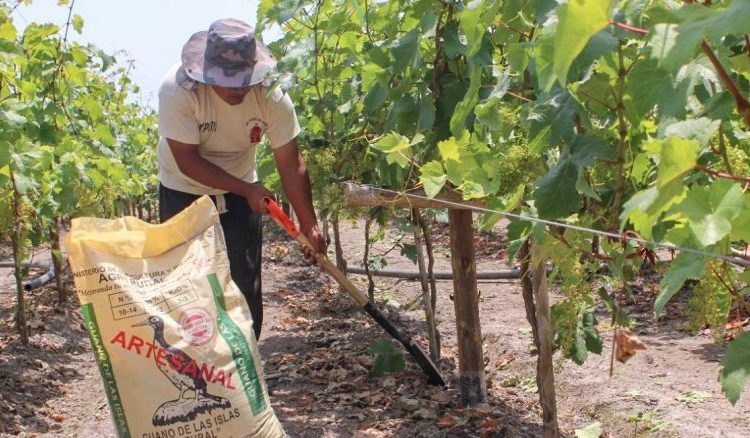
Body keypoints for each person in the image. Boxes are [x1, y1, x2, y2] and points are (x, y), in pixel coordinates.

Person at [157, 18, 327, 339]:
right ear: (207, 72)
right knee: (187, 287)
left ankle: (244, 358)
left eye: (243, 80)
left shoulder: (271, 96)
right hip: (184, 190)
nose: (238, 89)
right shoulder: (178, 90)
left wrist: (310, 224)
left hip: (240, 192)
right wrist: (246, 189)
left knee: (242, 284)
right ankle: (196, 363)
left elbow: (290, 163)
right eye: (227, 81)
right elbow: (187, 160)